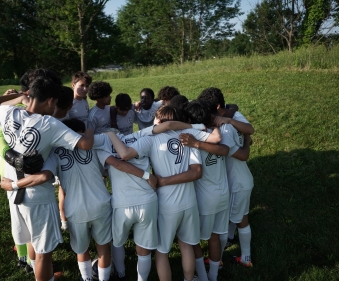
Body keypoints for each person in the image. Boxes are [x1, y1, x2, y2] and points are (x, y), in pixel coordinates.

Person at [3, 118, 155, 281]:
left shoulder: (55, 151)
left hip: (75, 210)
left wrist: (13, 185)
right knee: (103, 249)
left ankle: (87, 279)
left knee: (82, 251)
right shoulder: (94, 146)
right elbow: (115, 163)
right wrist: (145, 175)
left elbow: (45, 176)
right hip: (101, 205)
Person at [0, 75, 95, 281]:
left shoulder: (9, 112)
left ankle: (40, 275)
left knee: (33, 242)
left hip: (13, 192)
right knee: (44, 253)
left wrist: (17, 96)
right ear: (51, 100)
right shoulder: (49, 123)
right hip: (38, 197)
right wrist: (90, 129)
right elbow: (85, 145)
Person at [107, 106, 221, 281]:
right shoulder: (188, 136)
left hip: (167, 204)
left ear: (158, 121)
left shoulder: (150, 139)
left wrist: (111, 134)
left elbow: (126, 154)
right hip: (189, 202)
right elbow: (211, 146)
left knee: (162, 251)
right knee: (186, 246)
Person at [179, 101, 237, 281]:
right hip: (222, 194)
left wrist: (195, 144)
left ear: (189, 120)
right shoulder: (214, 134)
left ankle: (203, 278)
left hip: (206, 198)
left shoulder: (191, 140)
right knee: (214, 237)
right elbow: (225, 150)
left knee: (192, 239)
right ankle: (213, 276)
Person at [214, 116, 254, 268]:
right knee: (240, 217)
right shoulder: (234, 122)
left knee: (230, 221)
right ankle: (242, 254)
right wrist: (246, 138)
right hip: (243, 180)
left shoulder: (224, 131)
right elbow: (249, 140)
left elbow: (243, 155)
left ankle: (219, 261)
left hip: (236, 183)